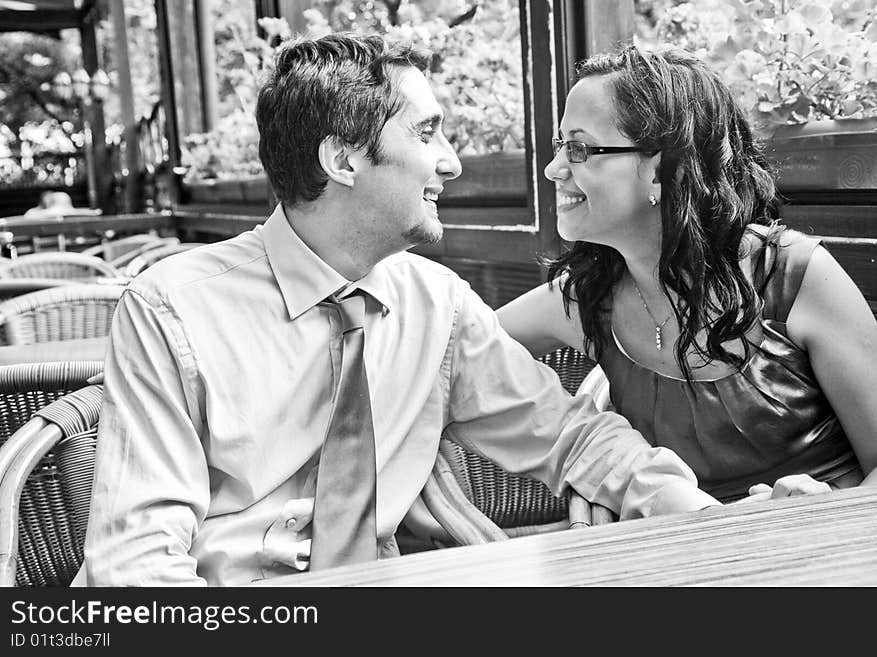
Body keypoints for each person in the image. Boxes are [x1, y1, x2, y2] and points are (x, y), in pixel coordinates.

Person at [78, 34, 721, 586]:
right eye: (427, 132)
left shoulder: (434, 304)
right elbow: (138, 566)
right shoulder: (171, 309)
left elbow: (571, 436)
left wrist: (700, 518)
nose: (452, 161)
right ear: (345, 159)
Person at [498, 45, 877, 504]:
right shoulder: (587, 299)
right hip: (679, 560)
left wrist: (828, 509)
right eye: (561, 145)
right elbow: (454, 349)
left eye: (578, 148)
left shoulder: (792, 275)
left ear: (661, 168)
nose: (553, 168)